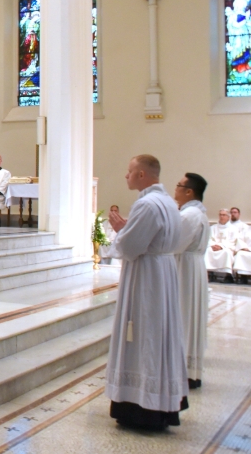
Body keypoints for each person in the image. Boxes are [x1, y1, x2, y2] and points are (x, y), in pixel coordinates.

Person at [105, 154, 188, 431]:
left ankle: (140, 407)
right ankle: (161, 400)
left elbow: (130, 248)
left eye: (129, 171)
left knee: (143, 335)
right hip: (161, 271)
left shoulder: (147, 204)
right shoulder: (167, 202)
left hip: (146, 278)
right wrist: (130, 227)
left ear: (142, 175)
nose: (126, 176)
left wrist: (120, 230)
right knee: (157, 333)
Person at [172, 173, 210, 390]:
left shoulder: (190, 215)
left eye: (179, 185)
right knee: (188, 315)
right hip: (191, 267)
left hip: (184, 269)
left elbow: (174, 243)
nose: (174, 189)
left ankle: (183, 370)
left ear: (189, 191)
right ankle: (189, 370)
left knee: (184, 315)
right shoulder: (196, 213)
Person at [205, 209, 236, 278]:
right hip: (213, 247)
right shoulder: (213, 227)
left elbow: (232, 241)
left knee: (227, 252)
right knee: (207, 251)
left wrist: (221, 246)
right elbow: (209, 238)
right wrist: (213, 245)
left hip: (226, 247)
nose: (221, 217)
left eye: (224, 215)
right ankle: (210, 273)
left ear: (228, 217)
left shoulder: (233, 229)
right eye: (220, 215)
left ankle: (228, 275)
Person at [229, 207, 251, 282]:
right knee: (235, 253)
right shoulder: (226, 225)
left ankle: (243, 276)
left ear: (239, 214)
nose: (233, 214)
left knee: (241, 254)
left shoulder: (244, 226)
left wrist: (247, 248)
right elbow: (238, 239)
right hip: (233, 246)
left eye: (235, 212)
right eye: (231, 212)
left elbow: (241, 239)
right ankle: (229, 276)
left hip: (243, 248)